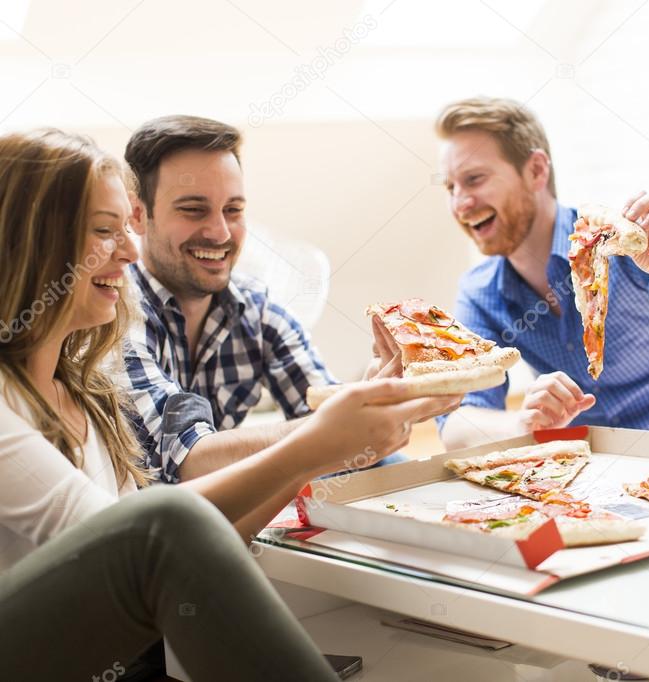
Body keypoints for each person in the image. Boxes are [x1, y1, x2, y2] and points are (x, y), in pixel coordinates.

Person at [0, 129, 459, 680]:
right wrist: (317, 440)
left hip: (122, 654)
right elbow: (130, 545)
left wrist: (346, 433)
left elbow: (194, 543)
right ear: (32, 242)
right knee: (160, 515)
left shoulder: (86, 396)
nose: (127, 251)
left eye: (233, 209)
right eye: (104, 231)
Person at [434, 97, 649, 449]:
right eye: (451, 187)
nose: (460, 204)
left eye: (474, 179)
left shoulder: (624, 246)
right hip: (593, 484)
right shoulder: (481, 292)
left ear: (536, 171)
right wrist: (523, 423)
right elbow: (456, 424)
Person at [120, 115, 400, 483]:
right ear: (138, 214)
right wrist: (335, 429)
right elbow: (185, 459)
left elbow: (324, 411)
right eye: (193, 210)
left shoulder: (257, 311)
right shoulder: (114, 317)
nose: (220, 232)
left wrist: (370, 401)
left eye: (233, 210)